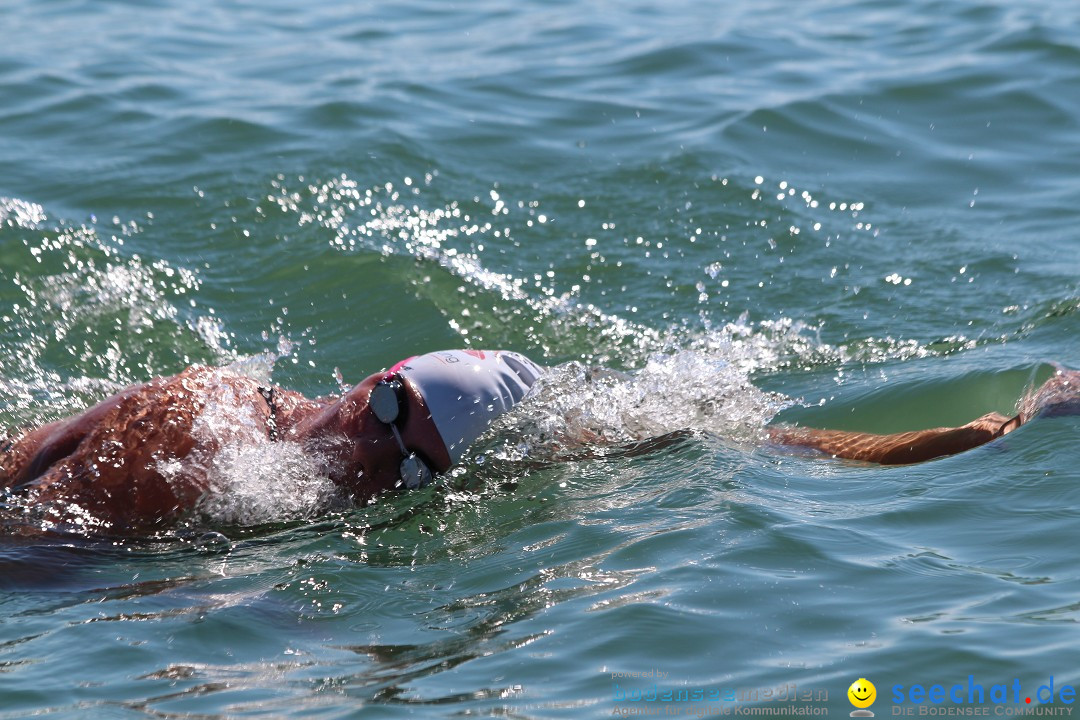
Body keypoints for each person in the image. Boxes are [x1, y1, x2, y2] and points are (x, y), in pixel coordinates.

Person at [0, 350, 1076, 531]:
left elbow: (761, 440)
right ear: (374, 383)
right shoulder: (211, 436)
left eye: (406, 455)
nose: (368, 450)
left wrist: (993, 432)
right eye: (379, 412)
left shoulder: (495, 455)